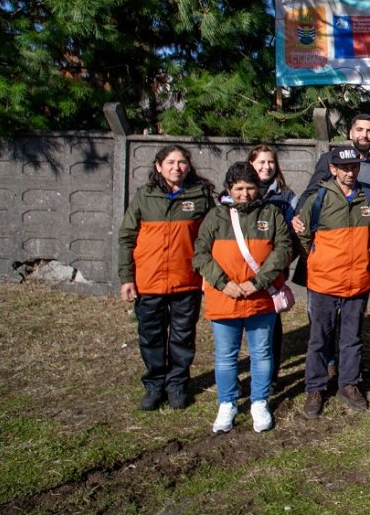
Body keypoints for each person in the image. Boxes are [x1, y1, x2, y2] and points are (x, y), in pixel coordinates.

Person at [193, 162, 291, 433]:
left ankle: (259, 400)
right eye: (239, 189)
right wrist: (223, 284)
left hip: (260, 298)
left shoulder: (270, 214)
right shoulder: (216, 217)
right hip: (224, 298)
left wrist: (257, 282)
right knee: (226, 355)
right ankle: (227, 402)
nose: (245, 194)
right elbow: (200, 253)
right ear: (228, 189)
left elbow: (283, 250)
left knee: (261, 352)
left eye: (250, 188)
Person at [117, 144, 215, 412]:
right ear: (158, 166)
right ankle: (154, 384)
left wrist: (207, 275)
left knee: (183, 336)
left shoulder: (200, 196)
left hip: (187, 280)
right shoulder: (144, 196)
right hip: (149, 281)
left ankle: (177, 385)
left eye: (182, 162)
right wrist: (127, 278)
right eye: (170, 162)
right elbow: (127, 237)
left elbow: (211, 239)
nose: (177, 167)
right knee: (151, 335)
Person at [296, 146, 370, 418]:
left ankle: (349, 384)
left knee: (352, 339)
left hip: (358, 283)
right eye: (344, 167)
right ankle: (315, 388)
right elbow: (305, 237)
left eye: (354, 166)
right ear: (332, 169)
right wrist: (321, 262)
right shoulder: (318, 198)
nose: (349, 172)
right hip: (324, 283)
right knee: (320, 338)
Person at [245, 144, 300, 379]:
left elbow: (294, 235)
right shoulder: (239, 191)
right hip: (243, 270)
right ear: (251, 165)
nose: (267, 167)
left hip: (273, 273)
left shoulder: (286, 197)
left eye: (271, 162)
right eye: (261, 162)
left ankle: (271, 373)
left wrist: (282, 262)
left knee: (271, 325)